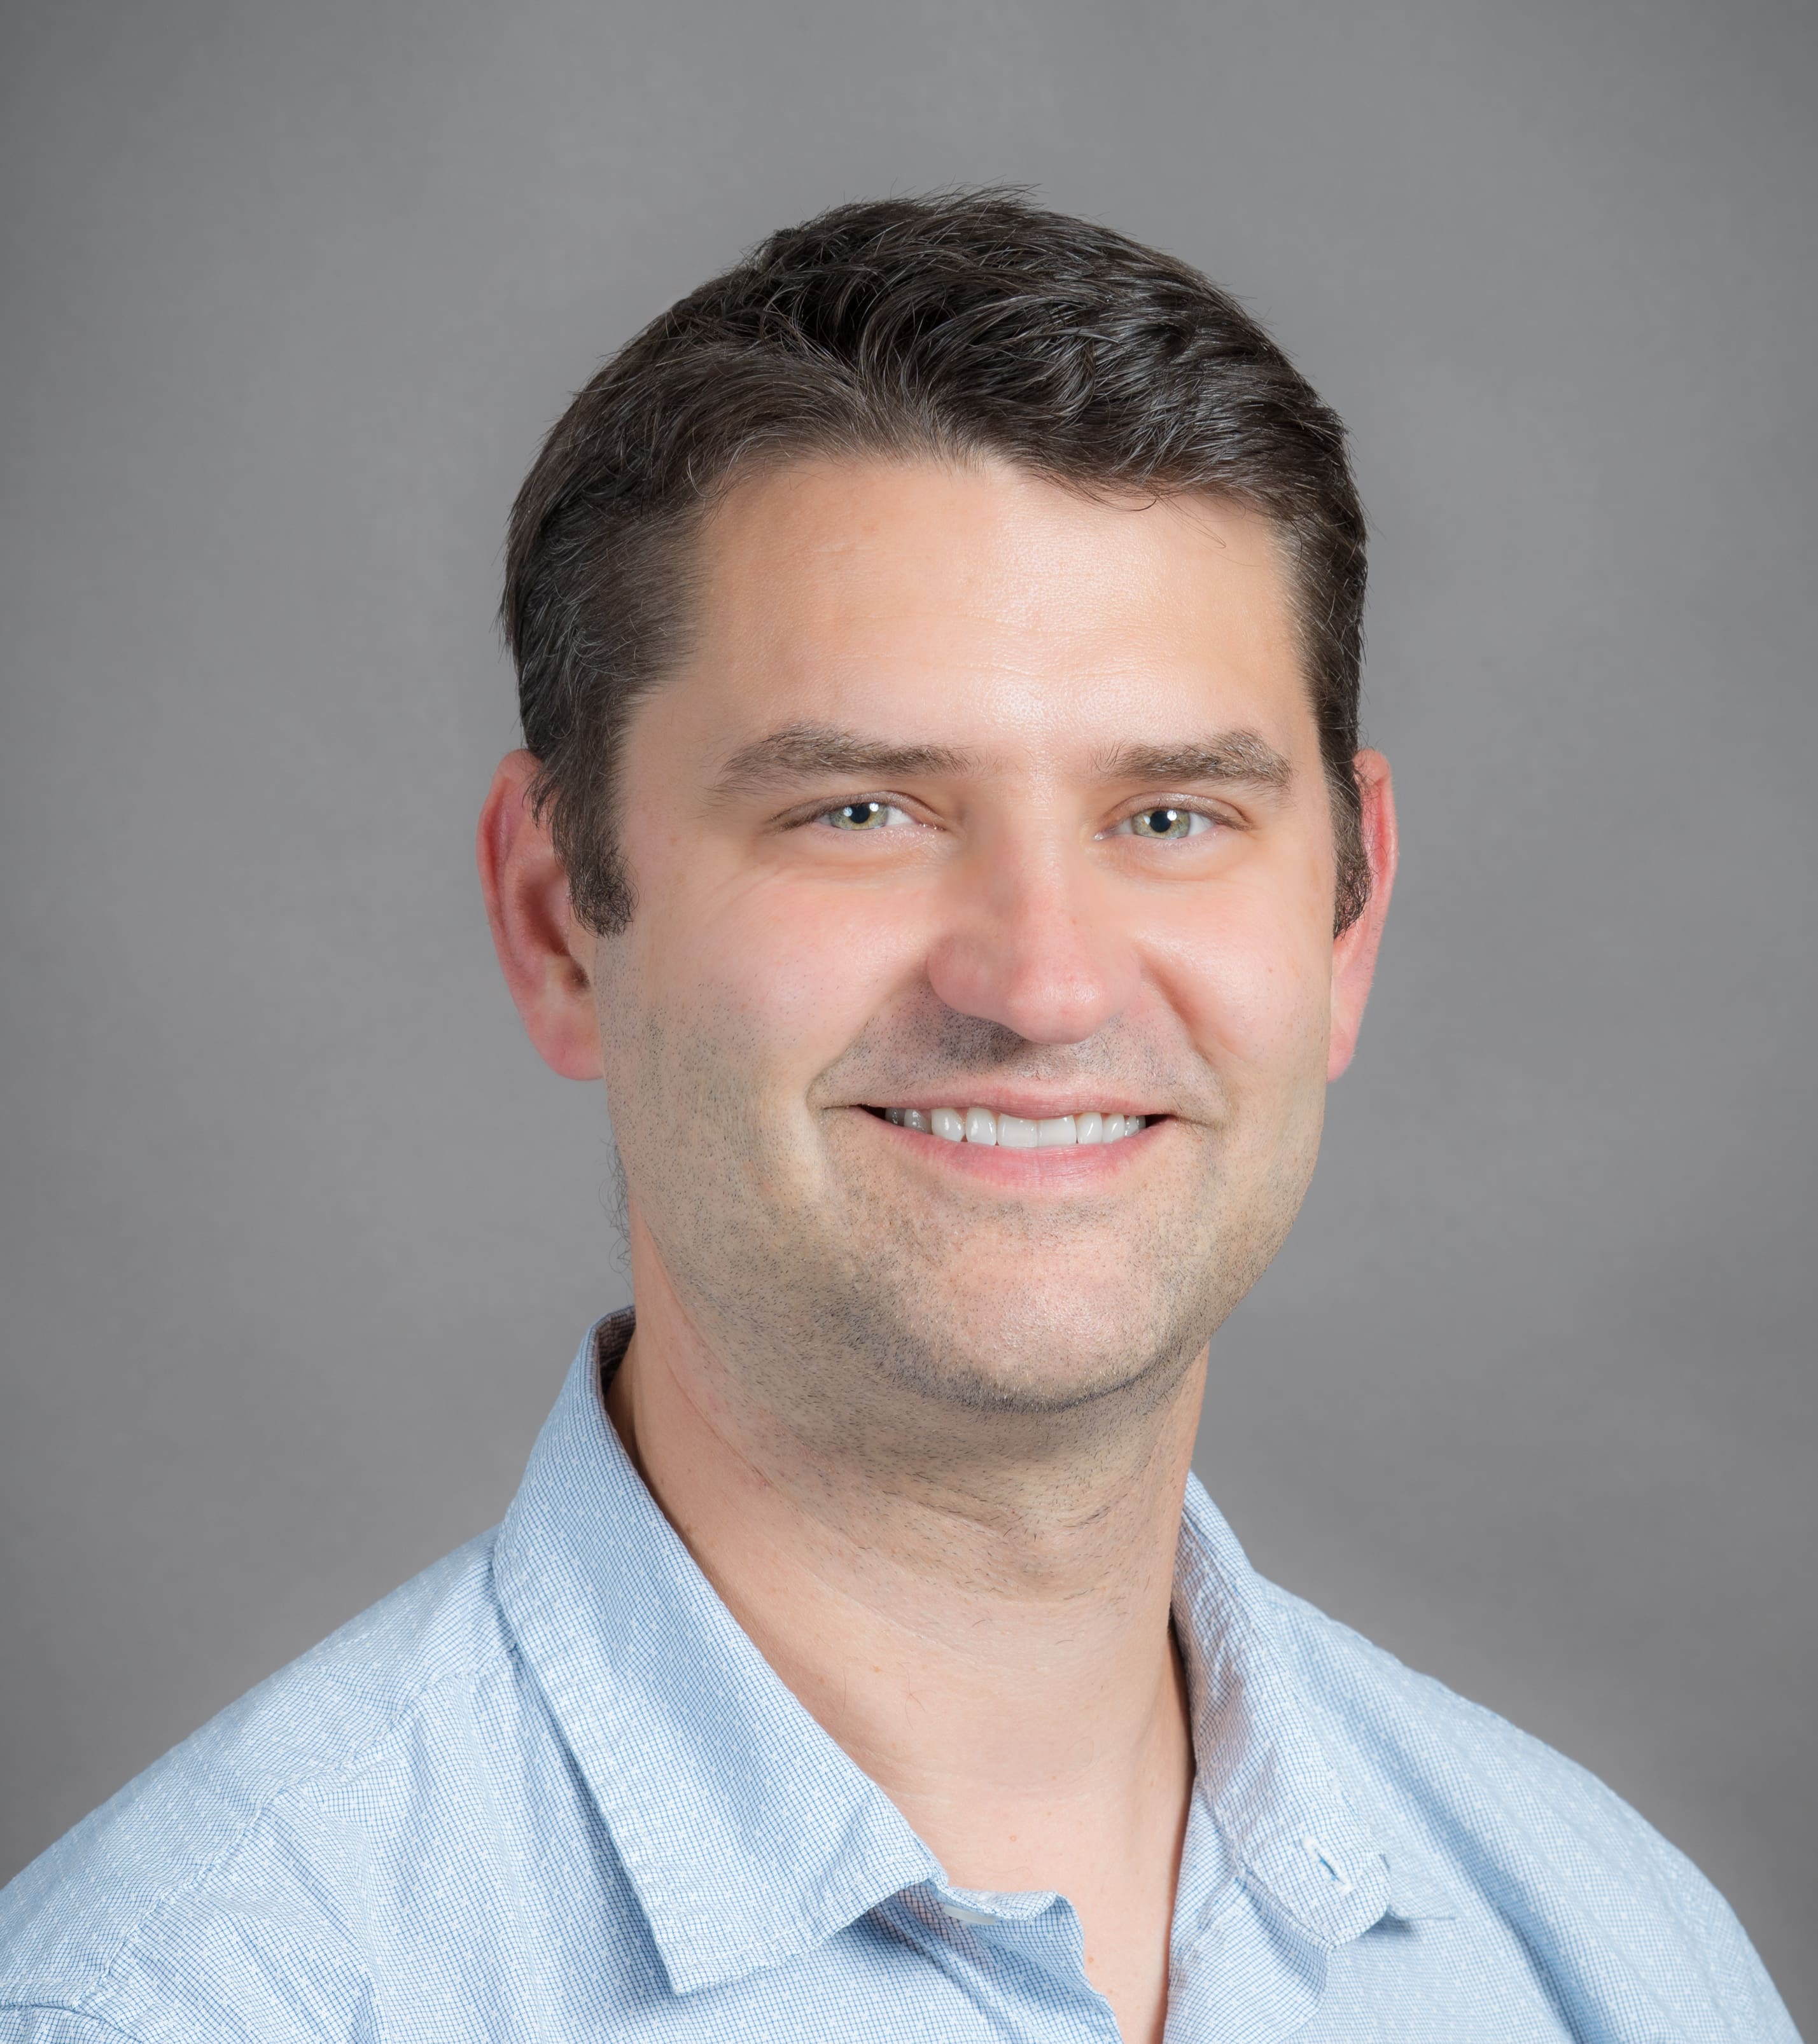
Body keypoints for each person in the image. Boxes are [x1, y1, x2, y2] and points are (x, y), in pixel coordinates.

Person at [0, 191, 1796, 2044]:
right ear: (557, 923)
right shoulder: (186, 2002)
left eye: (1169, 816)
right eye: (861, 810)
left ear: (1348, 918)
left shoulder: (1613, 1967)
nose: (1041, 984)